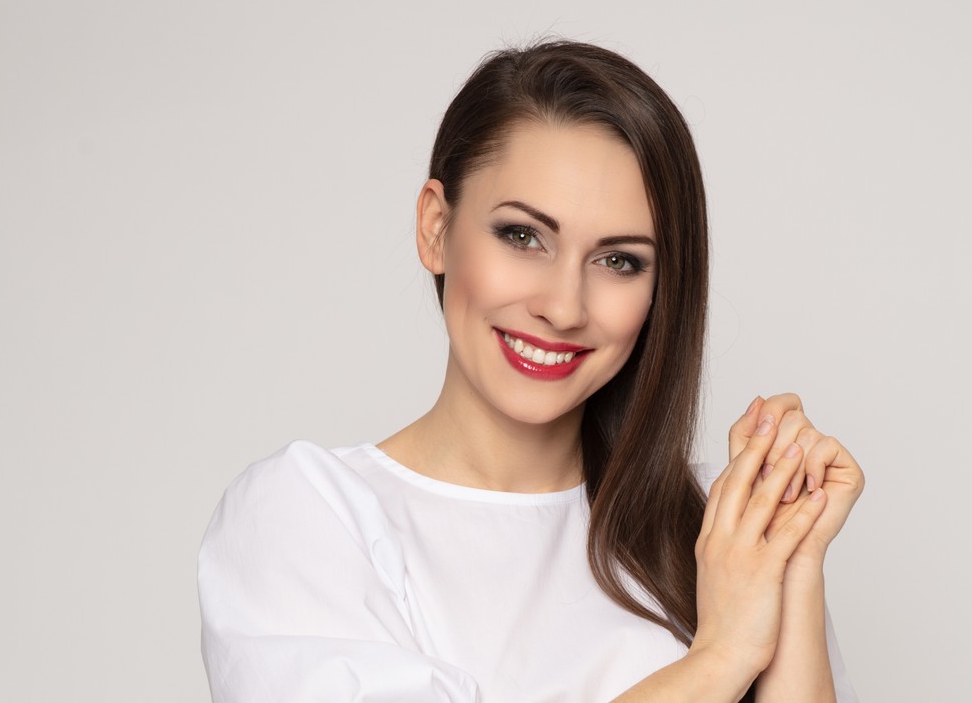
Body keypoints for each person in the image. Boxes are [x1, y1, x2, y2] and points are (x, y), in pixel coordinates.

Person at [198, 40, 864, 702]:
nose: (563, 307)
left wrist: (795, 553)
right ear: (436, 228)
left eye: (619, 261)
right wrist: (722, 655)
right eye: (523, 236)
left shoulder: (714, 532)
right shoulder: (306, 516)